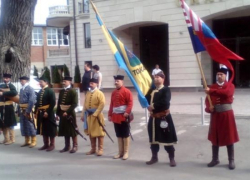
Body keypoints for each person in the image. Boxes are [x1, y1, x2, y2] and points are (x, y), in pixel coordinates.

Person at [205, 67, 239, 170]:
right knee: (215, 137)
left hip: (226, 114)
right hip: (215, 115)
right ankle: (215, 159)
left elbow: (226, 94)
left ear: (225, 76)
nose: (219, 76)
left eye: (222, 74)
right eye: (218, 74)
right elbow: (208, 100)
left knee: (229, 136)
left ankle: (231, 160)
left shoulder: (230, 86)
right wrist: (209, 108)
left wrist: (211, 91)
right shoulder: (212, 86)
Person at [145, 72, 177, 167]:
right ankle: (154, 157)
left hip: (164, 118)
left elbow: (165, 103)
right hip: (153, 118)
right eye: (155, 77)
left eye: (158, 77)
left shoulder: (166, 90)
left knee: (167, 139)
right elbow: (146, 99)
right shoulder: (151, 90)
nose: (156, 79)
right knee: (153, 139)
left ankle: (172, 158)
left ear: (163, 78)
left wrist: (153, 106)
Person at [108, 75, 133, 160]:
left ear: (122, 82)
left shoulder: (127, 91)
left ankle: (126, 152)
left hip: (124, 117)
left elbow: (130, 103)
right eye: (115, 81)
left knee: (125, 134)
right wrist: (109, 114)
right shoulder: (113, 92)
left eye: (118, 81)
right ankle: (120, 152)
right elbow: (111, 104)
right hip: (116, 117)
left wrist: (127, 112)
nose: (116, 82)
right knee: (118, 134)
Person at [81, 78, 105, 156]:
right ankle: (93, 149)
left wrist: (96, 113)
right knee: (91, 133)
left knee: (99, 133)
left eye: (92, 83)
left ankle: (100, 149)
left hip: (97, 116)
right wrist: (82, 114)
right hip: (89, 116)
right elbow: (85, 104)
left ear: (96, 84)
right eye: (90, 83)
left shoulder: (100, 93)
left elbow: (102, 104)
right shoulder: (88, 93)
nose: (91, 85)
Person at [56, 76, 78, 153]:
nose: (63, 83)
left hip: (70, 113)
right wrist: (57, 114)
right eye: (63, 81)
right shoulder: (62, 91)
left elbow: (75, 104)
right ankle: (67, 146)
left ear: (70, 82)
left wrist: (67, 112)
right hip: (62, 113)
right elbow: (59, 103)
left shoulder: (73, 91)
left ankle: (75, 146)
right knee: (65, 129)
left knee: (72, 130)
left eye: (65, 81)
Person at [35, 77, 56, 151]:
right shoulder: (41, 91)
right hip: (41, 112)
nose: (40, 84)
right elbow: (37, 103)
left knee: (50, 128)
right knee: (43, 128)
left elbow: (53, 103)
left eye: (41, 82)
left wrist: (47, 112)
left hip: (48, 112)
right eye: (39, 82)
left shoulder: (50, 90)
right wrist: (36, 111)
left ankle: (52, 145)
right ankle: (45, 144)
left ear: (46, 82)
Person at [18, 76, 37, 148]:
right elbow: (19, 100)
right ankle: (27, 140)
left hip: (28, 109)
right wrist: (18, 109)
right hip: (22, 108)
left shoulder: (30, 89)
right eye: (21, 80)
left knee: (30, 124)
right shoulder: (21, 89)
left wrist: (28, 110)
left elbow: (32, 100)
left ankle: (33, 140)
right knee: (23, 124)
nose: (21, 81)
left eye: (23, 80)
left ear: (27, 81)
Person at [0, 73, 18, 145]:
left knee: (10, 122)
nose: (5, 79)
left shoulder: (11, 85)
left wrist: (3, 93)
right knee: (3, 122)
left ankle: (12, 139)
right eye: (4, 78)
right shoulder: (1, 85)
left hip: (8, 106)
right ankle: (6, 139)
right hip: (1, 106)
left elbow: (14, 92)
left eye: (7, 78)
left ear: (9, 79)